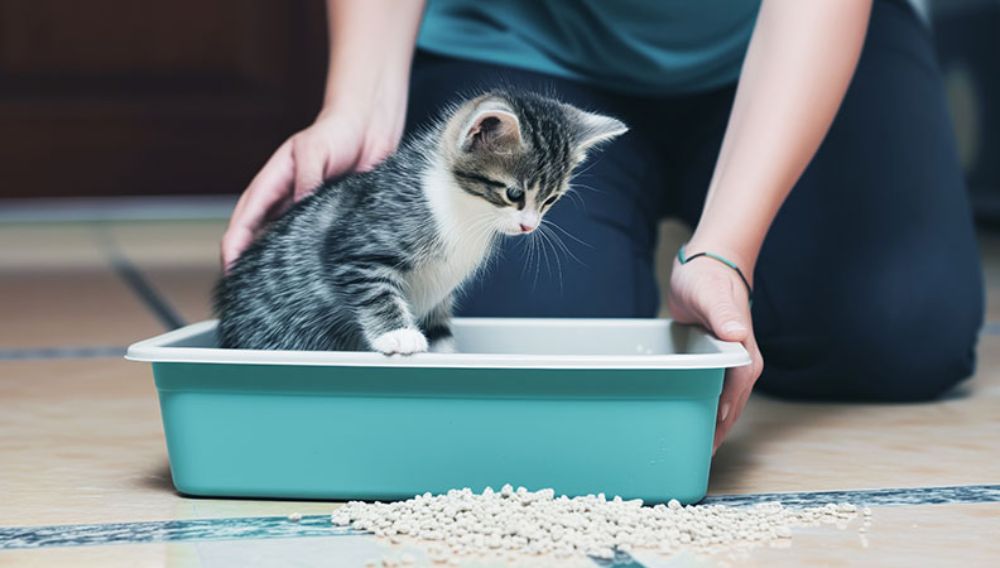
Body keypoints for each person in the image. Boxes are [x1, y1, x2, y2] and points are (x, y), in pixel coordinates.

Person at [221, 0, 983, 451]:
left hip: (797, 36)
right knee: (536, 380)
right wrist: (357, 106)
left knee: (901, 328)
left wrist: (725, 249)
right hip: (520, 42)